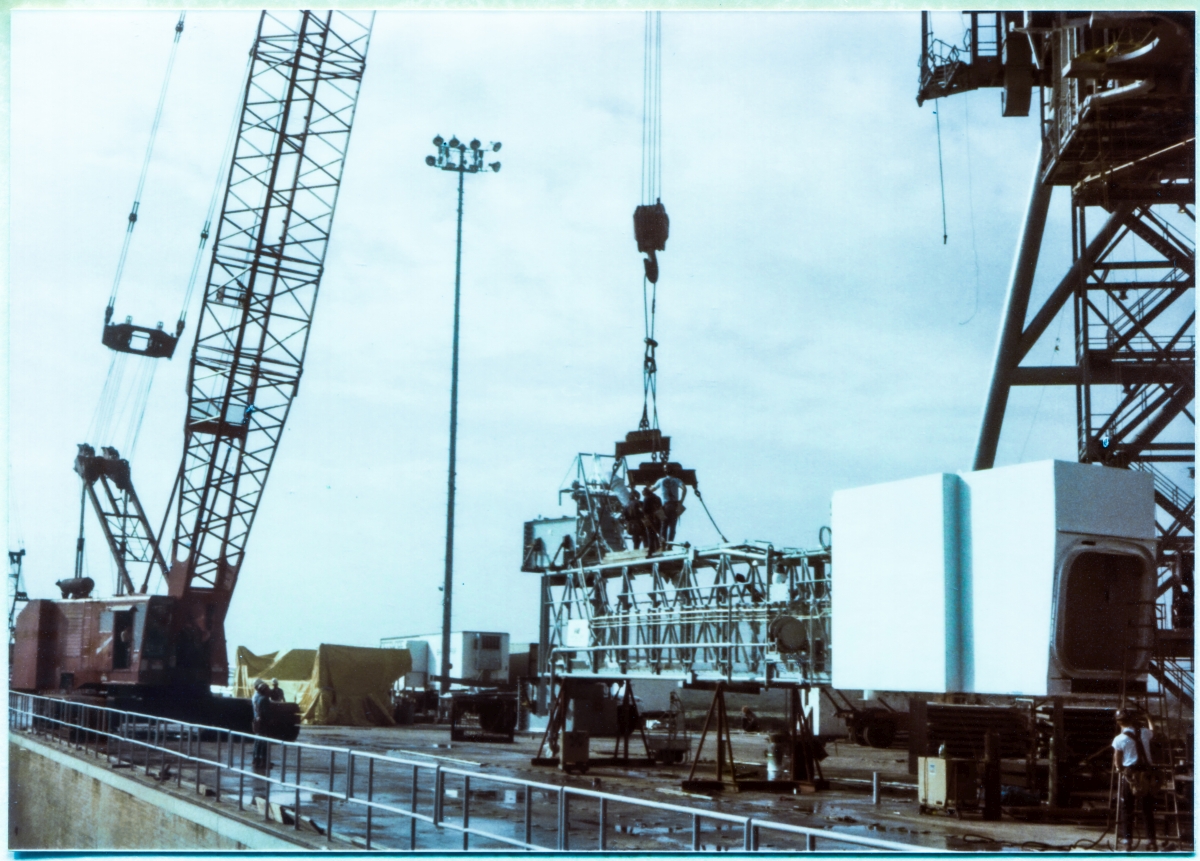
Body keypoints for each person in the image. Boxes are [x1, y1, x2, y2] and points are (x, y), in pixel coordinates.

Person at [1112, 708, 1157, 851]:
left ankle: (1127, 842)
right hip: (1146, 774)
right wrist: (1149, 718)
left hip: (1130, 775)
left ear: (1119, 722)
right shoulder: (1144, 732)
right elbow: (1153, 730)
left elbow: (1117, 759)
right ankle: (1151, 841)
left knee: (1127, 808)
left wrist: (1119, 769)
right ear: (1131, 720)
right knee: (1147, 809)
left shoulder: (1119, 739)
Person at [660, 466, 688, 543]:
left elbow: (651, 490)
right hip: (674, 506)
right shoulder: (677, 480)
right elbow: (685, 489)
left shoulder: (661, 480)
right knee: (672, 527)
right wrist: (681, 501)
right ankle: (670, 544)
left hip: (665, 506)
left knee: (664, 526)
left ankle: (663, 544)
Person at [252, 679, 271, 773]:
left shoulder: (257, 697)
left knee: (258, 741)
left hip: (257, 721)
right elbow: (266, 713)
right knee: (264, 742)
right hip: (263, 723)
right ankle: (263, 761)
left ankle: (256, 759)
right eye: (268, 689)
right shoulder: (264, 699)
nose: (269, 690)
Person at [641, 485, 663, 554]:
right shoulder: (658, 498)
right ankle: (659, 546)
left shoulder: (646, 498)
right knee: (658, 532)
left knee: (651, 534)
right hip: (658, 517)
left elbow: (644, 510)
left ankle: (651, 549)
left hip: (650, 518)